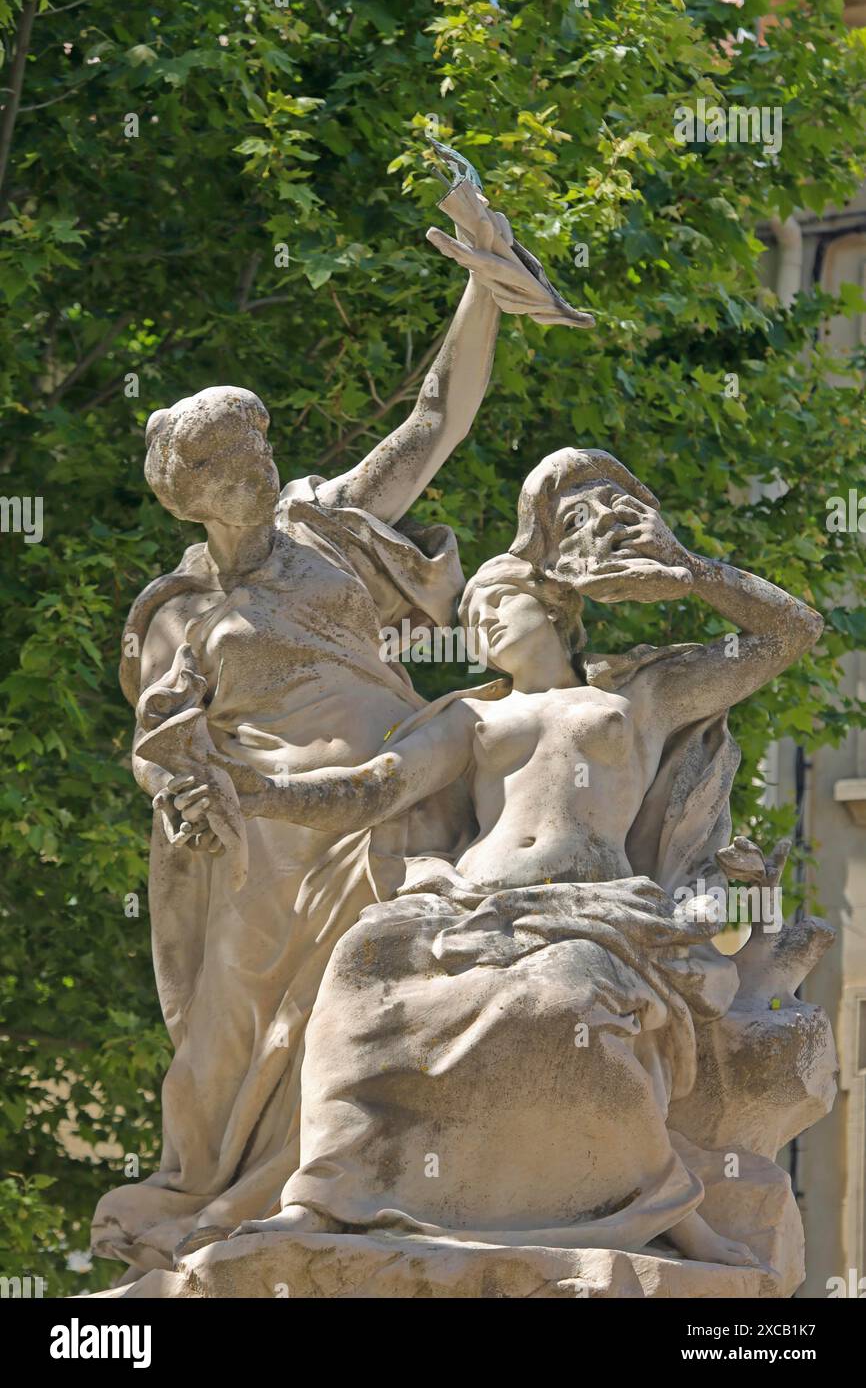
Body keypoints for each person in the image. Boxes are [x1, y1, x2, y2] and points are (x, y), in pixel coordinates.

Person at [91, 190, 591, 1278]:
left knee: (388, 1004)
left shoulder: (327, 525)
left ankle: (370, 1189)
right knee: (230, 1030)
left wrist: (482, 287)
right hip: (266, 838)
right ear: (197, 493)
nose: (259, 470)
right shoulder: (178, 611)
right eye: (232, 463)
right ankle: (215, 1198)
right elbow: (167, 747)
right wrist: (188, 795)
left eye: (259, 447)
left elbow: (433, 419)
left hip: (396, 798)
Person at [212, 448, 821, 1263]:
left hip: (597, 915)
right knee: (361, 973)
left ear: (554, 605)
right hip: (470, 906)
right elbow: (368, 791)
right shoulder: (471, 718)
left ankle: (662, 1206)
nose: (482, 622)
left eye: (496, 601)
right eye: (469, 617)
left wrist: (687, 569)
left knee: (568, 1001)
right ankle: (323, 1197)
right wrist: (244, 791)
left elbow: (790, 632)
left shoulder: (637, 698)